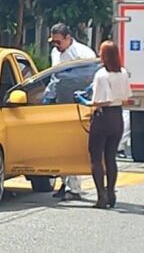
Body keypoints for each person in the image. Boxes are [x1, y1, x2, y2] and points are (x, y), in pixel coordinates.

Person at [76, 40, 132, 209]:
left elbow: (100, 101)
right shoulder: (123, 73)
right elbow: (126, 97)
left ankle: (101, 196)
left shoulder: (101, 74)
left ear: (105, 56)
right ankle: (111, 192)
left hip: (103, 118)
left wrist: (83, 100)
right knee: (110, 158)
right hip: (117, 118)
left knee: (96, 158)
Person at [47, 23, 96, 201]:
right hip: (60, 103)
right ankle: (64, 182)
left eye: (59, 42)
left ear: (68, 38)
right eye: (53, 42)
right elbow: (55, 77)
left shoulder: (84, 54)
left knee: (73, 146)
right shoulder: (55, 53)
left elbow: (91, 80)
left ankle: (74, 188)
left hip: (77, 106)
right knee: (60, 147)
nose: (56, 46)